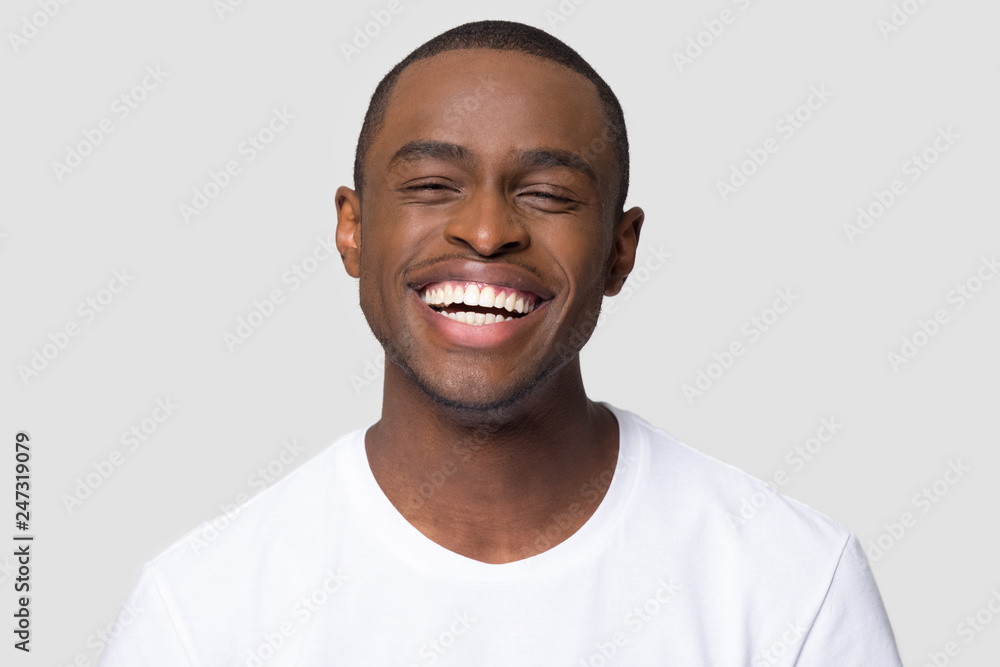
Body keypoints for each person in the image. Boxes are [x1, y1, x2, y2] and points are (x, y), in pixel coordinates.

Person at [101, 20, 903, 666]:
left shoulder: (791, 583)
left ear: (620, 250)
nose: (486, 231)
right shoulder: (203, 611)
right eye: (430, 186)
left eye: (548, 193)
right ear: (352, 228)